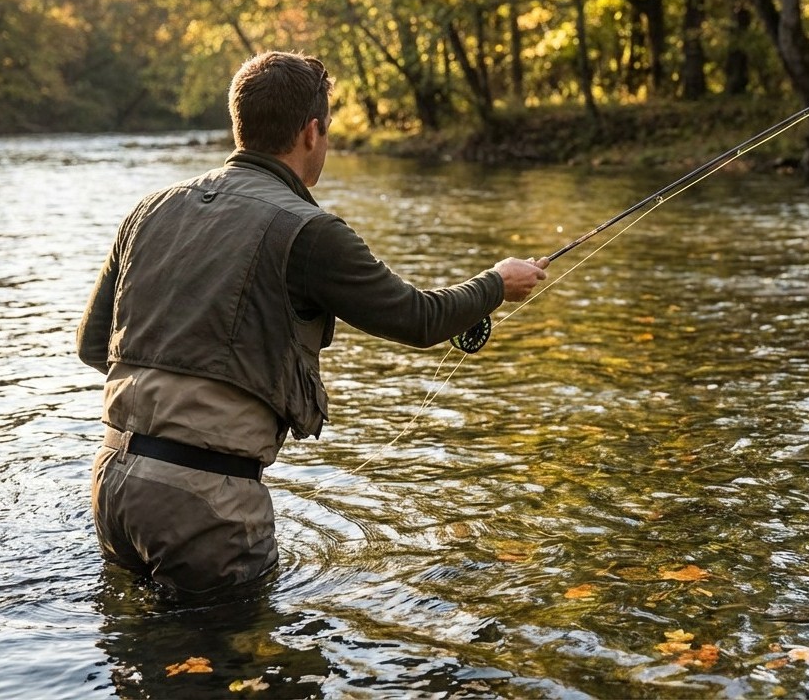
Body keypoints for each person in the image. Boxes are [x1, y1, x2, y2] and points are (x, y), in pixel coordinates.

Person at [76, 50, 548, 597]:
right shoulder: (310, 230)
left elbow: (93, 347)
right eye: (326, 135)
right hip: (207, 504)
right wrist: (496, 282)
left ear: (240, 124)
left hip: (110, 482)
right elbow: (419, 318)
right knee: (237, 667)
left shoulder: (147, 209)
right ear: (311, 131)